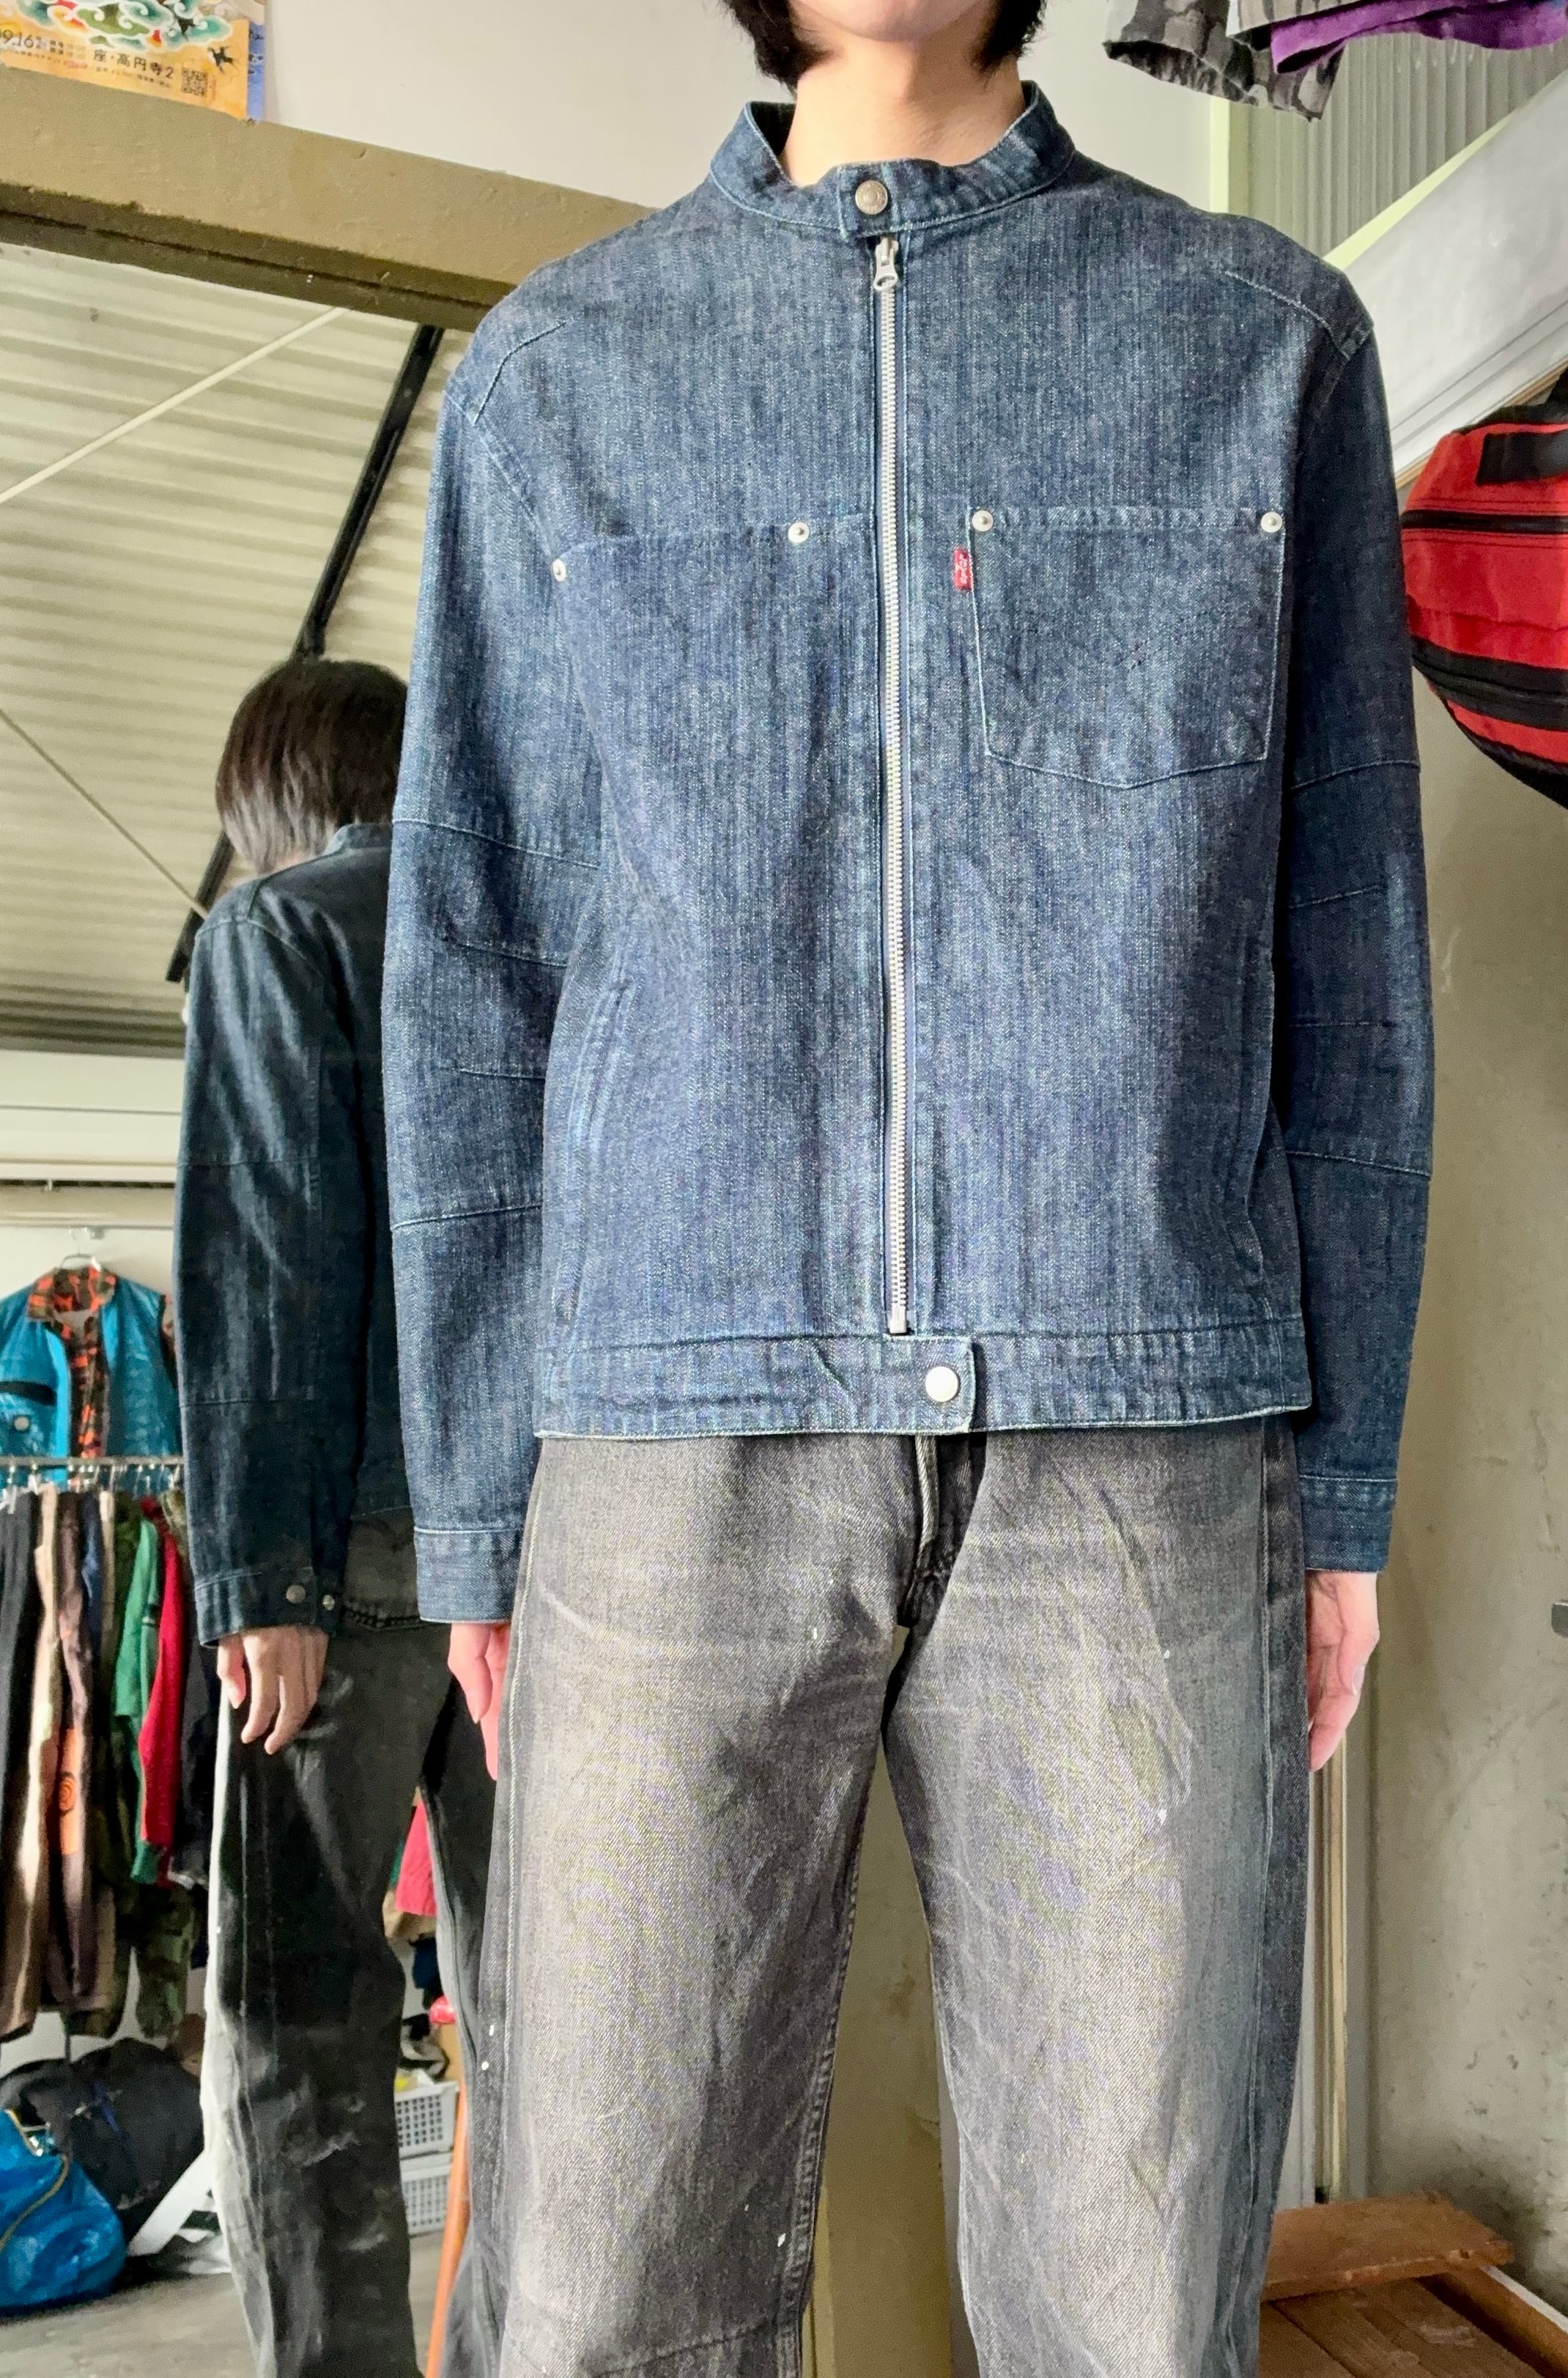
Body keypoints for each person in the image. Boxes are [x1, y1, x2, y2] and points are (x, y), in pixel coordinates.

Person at [385, 1, 1433, 2368]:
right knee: (606, 2286)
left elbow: (1348, 940)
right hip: (665, 1424)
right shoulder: (555, 378)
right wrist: (478, 1509)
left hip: (1141, 1421)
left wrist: (1344, 1478)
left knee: (1131, 2299)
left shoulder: (1260, 339)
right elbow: (473, 970)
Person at [174, 658, 495, 2378]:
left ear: (275, 799)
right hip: (539, 1567)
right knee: (538, 2020)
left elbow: (263, 1260)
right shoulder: (525, 930)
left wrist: (258, 1577)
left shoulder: (280, 929)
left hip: (348, 1567)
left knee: (298, 2025)